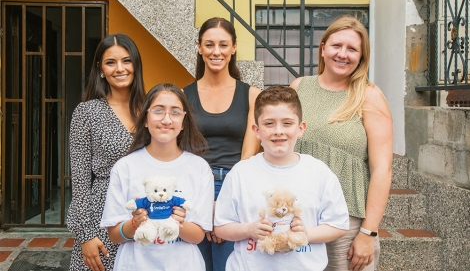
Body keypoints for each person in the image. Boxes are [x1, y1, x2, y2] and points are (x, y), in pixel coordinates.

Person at [290, 15, 393, 271]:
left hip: (347, 223)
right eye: (336, 46)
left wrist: (368, 233)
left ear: (361, 56)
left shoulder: (369, 96)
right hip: (298, 217)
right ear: (323, 48)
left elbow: (382, 169)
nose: (343, 54)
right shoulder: (299, 87)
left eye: (352, 49)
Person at [213, 86, 350, 271]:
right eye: (269, 124)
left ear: (301, 129)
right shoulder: (240, 173)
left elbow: (338, 225)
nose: (278, 131)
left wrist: (306, 233)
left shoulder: (319, 172)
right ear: (256, 130)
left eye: (287, 123)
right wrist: (249, 229)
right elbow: (221, 226)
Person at [100, 83, 214, 270]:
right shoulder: (125, 167)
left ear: (184, 122)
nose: (166, 119)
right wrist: (134, 223)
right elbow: (114, 235)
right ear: (145, 119)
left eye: (175, 112)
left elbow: (198, 236)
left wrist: (178, 221)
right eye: (158, 111)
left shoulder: (199, 168)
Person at [183, 17, 261, 271]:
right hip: (194, 191)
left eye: (223, 45)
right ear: (199, 48)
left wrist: (223, 204)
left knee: (230, 265)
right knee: (196, 265)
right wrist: (205, 203)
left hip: (236, 188)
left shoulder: (251, 95)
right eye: (209, 44)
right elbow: (181, 153)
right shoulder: (183, 96)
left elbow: (248, 157)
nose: (216, 52)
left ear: (234, 48)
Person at [67, 33, 146, 271]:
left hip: (147, 212)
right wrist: (86, 235)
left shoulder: (151, 108)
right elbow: (80, 182)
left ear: (136, 65)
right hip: (102, 216)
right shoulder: (87, 112)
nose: (119, 68)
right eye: (110, 62)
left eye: (126, 60)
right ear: (101, 69)